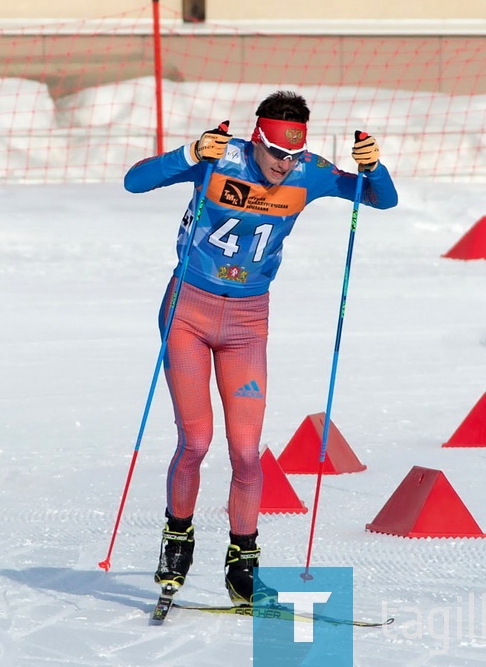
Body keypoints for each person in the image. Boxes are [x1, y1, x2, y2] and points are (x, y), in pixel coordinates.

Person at [123, 91, 398, 605]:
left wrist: (374, 167)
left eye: (292, 156)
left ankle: (242, 562)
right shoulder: (221, 156)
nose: (283, 166)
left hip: (248, 321)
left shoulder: (308, 173)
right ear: (258, 140)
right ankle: (177, 538)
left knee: (248, 454)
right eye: (275, 154)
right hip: (188, 310)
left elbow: (382, 199)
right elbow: (134, 181)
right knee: (196, 442)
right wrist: (188, 154)